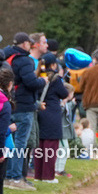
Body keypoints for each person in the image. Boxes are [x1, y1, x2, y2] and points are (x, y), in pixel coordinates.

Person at [3, 32, 46, 190]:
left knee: (10, 142)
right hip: (25, 105)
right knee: (20, 144)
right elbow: (30, 82)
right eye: (29, 42)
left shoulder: (8, 58)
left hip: (11, 103)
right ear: (25, 44)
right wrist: (42, 80)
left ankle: (9, 176)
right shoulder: (25, 61)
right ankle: (15, 178)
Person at [34, 53, 72, 183]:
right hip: (52, 114)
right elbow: (64, 93)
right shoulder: (55, 79)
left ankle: (38, 175)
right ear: (53, 65)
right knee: (50, 147)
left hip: (40, 111)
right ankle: (48, 176)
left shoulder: (38, 76)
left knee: (39, 145)